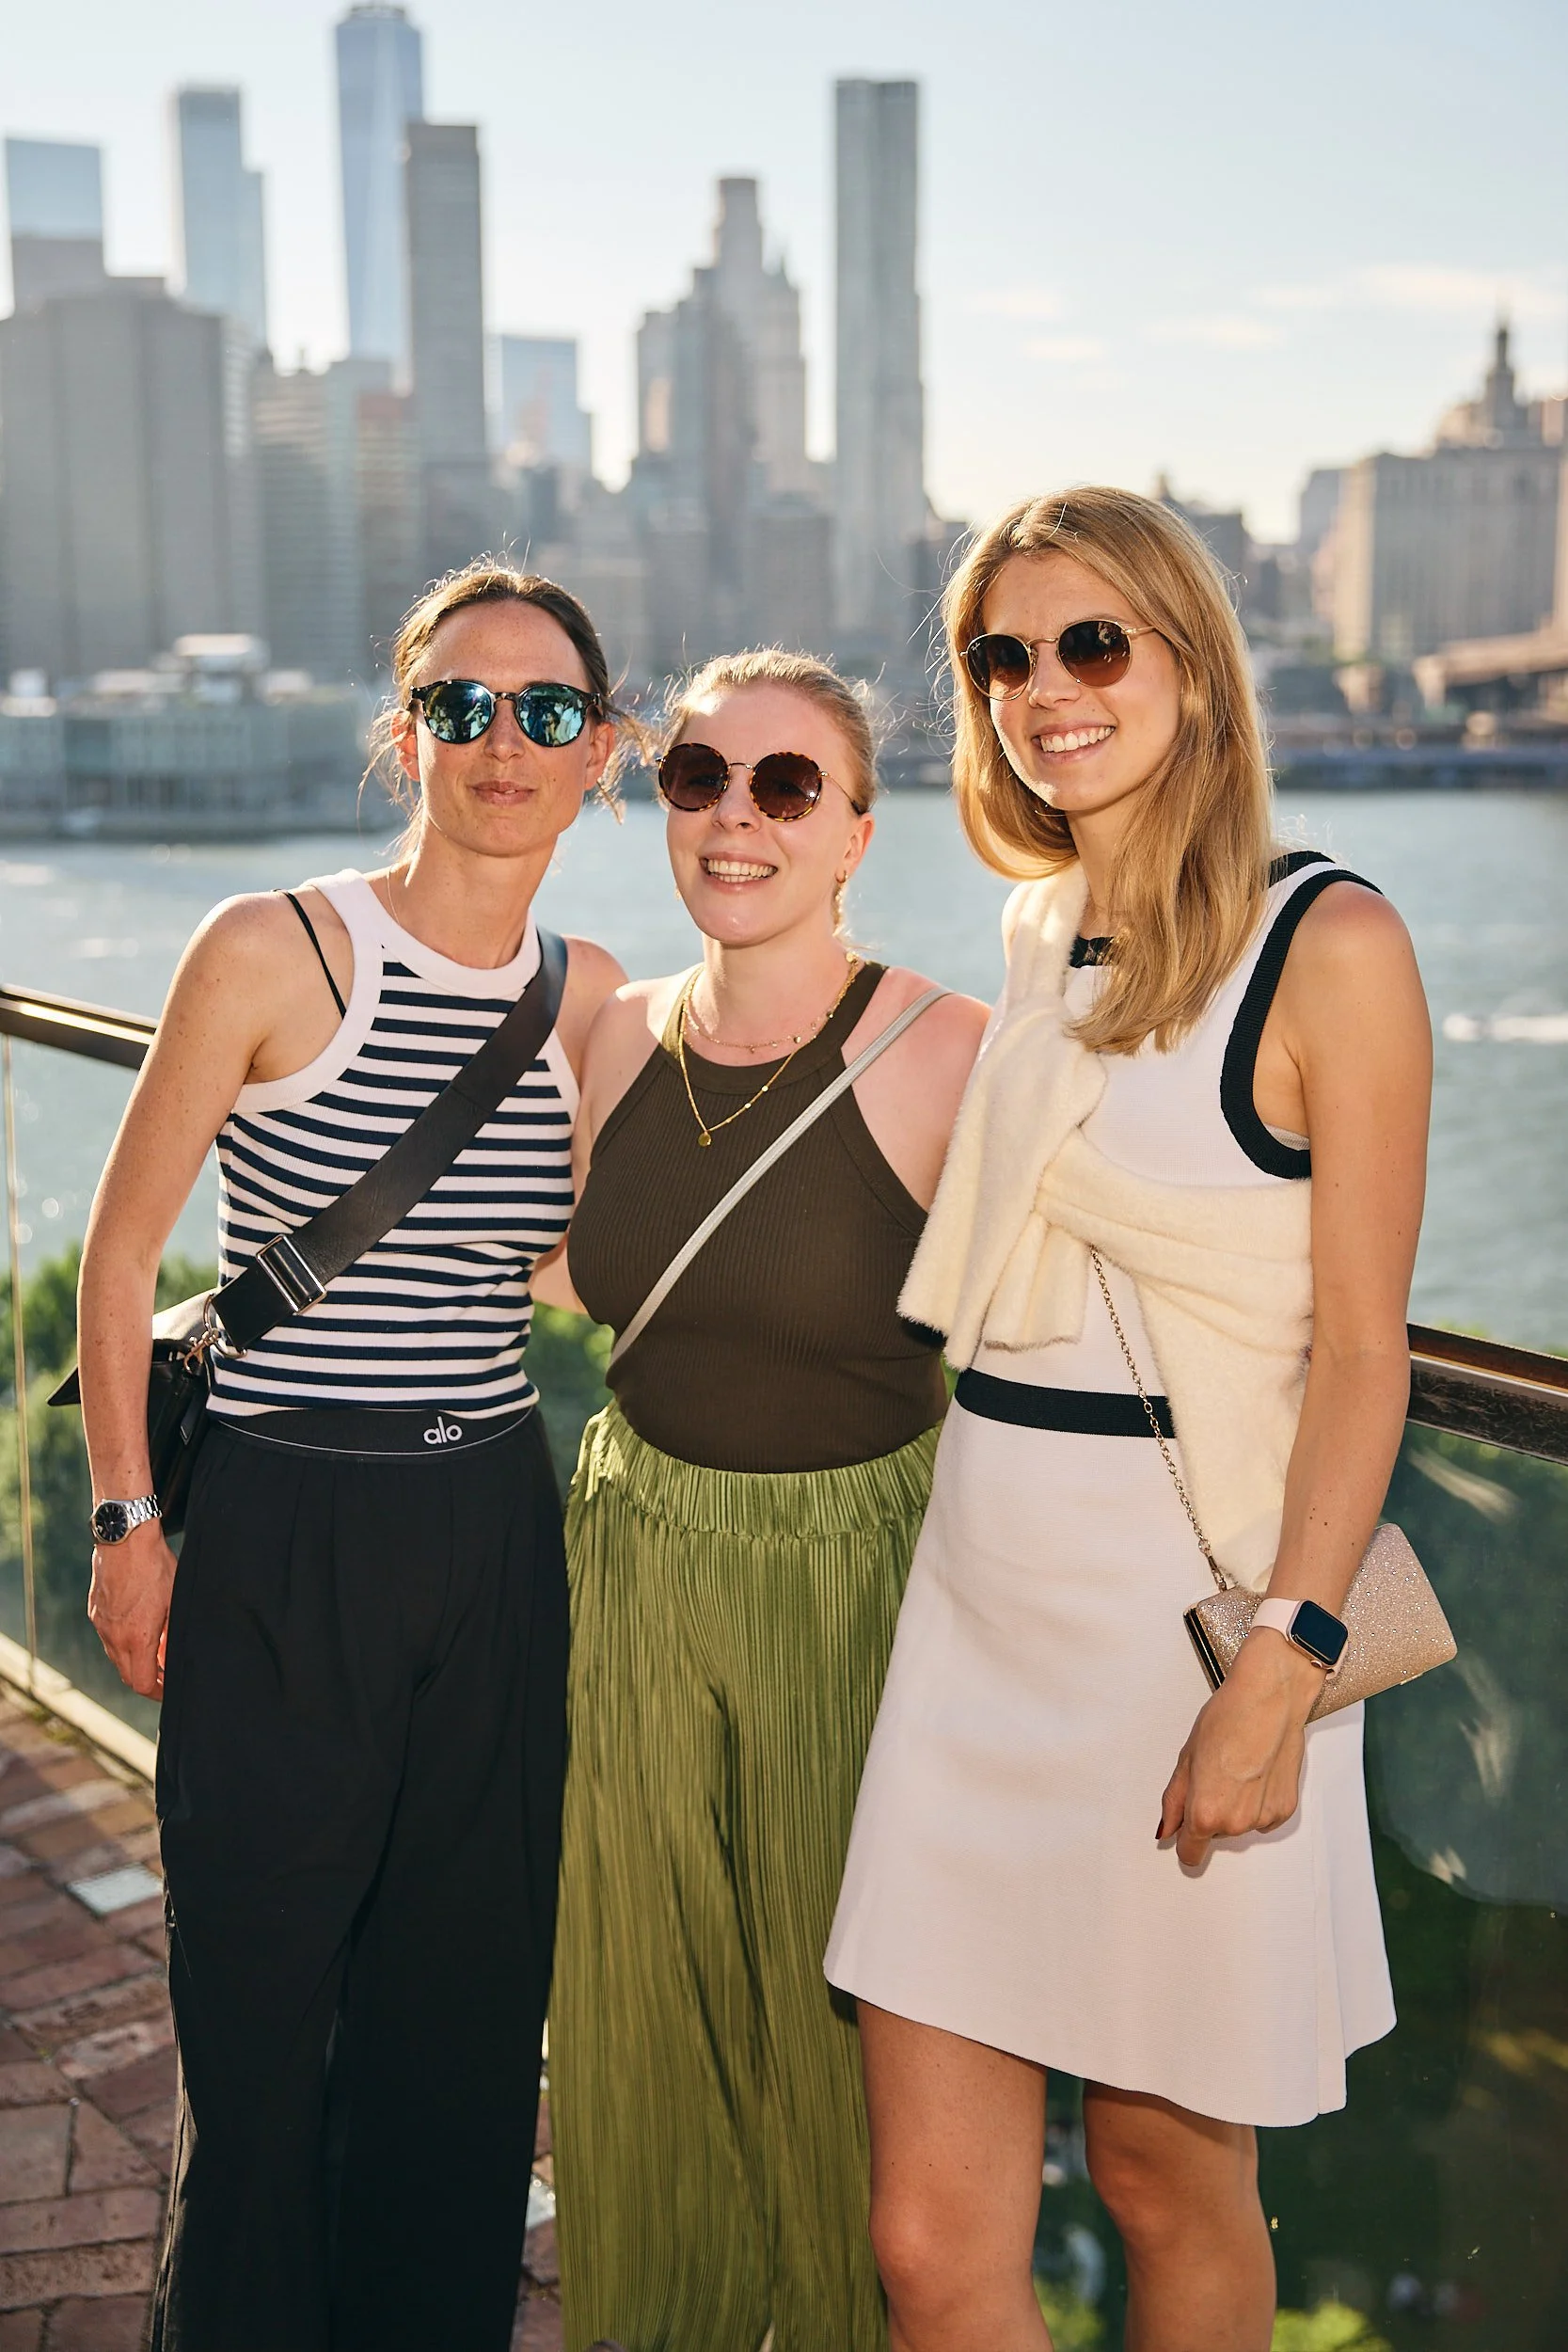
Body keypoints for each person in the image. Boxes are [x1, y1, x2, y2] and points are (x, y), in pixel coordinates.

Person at [825, 488, 1432, 2352]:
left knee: (1174, 2185)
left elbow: (1358, 1350)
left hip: (1186, 1644)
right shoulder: (1038, 926)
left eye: (1092, 643)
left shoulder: (1328, 940)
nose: (1040, 690)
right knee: (929, 2248)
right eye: (1000, 655)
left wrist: (1278, 1661)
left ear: (1188, 662)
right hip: (977, 1610)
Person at [76, 562, 626, 2352]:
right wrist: (128, 1520)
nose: (504, 743)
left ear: (601, 753)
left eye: (547, 713)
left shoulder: (589, 995)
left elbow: (565, 1268)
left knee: (459, 2033)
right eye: (463, 706)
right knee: (259, 2021)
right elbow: (119, 1251)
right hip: (278, 1520)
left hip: (489, 1524)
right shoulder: (272, 947)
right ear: (408, 735)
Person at [538, 649, 988, 2352]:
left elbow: (1061, 1340)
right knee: (638, 2024)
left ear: (858, 830)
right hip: (634, 1557)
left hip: (858, 1585)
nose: (737, 818)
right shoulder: (606, 1037)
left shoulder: (951, 1053)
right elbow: (581, 1276)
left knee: (836, 2043)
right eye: (698, 778)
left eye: (786, 786)